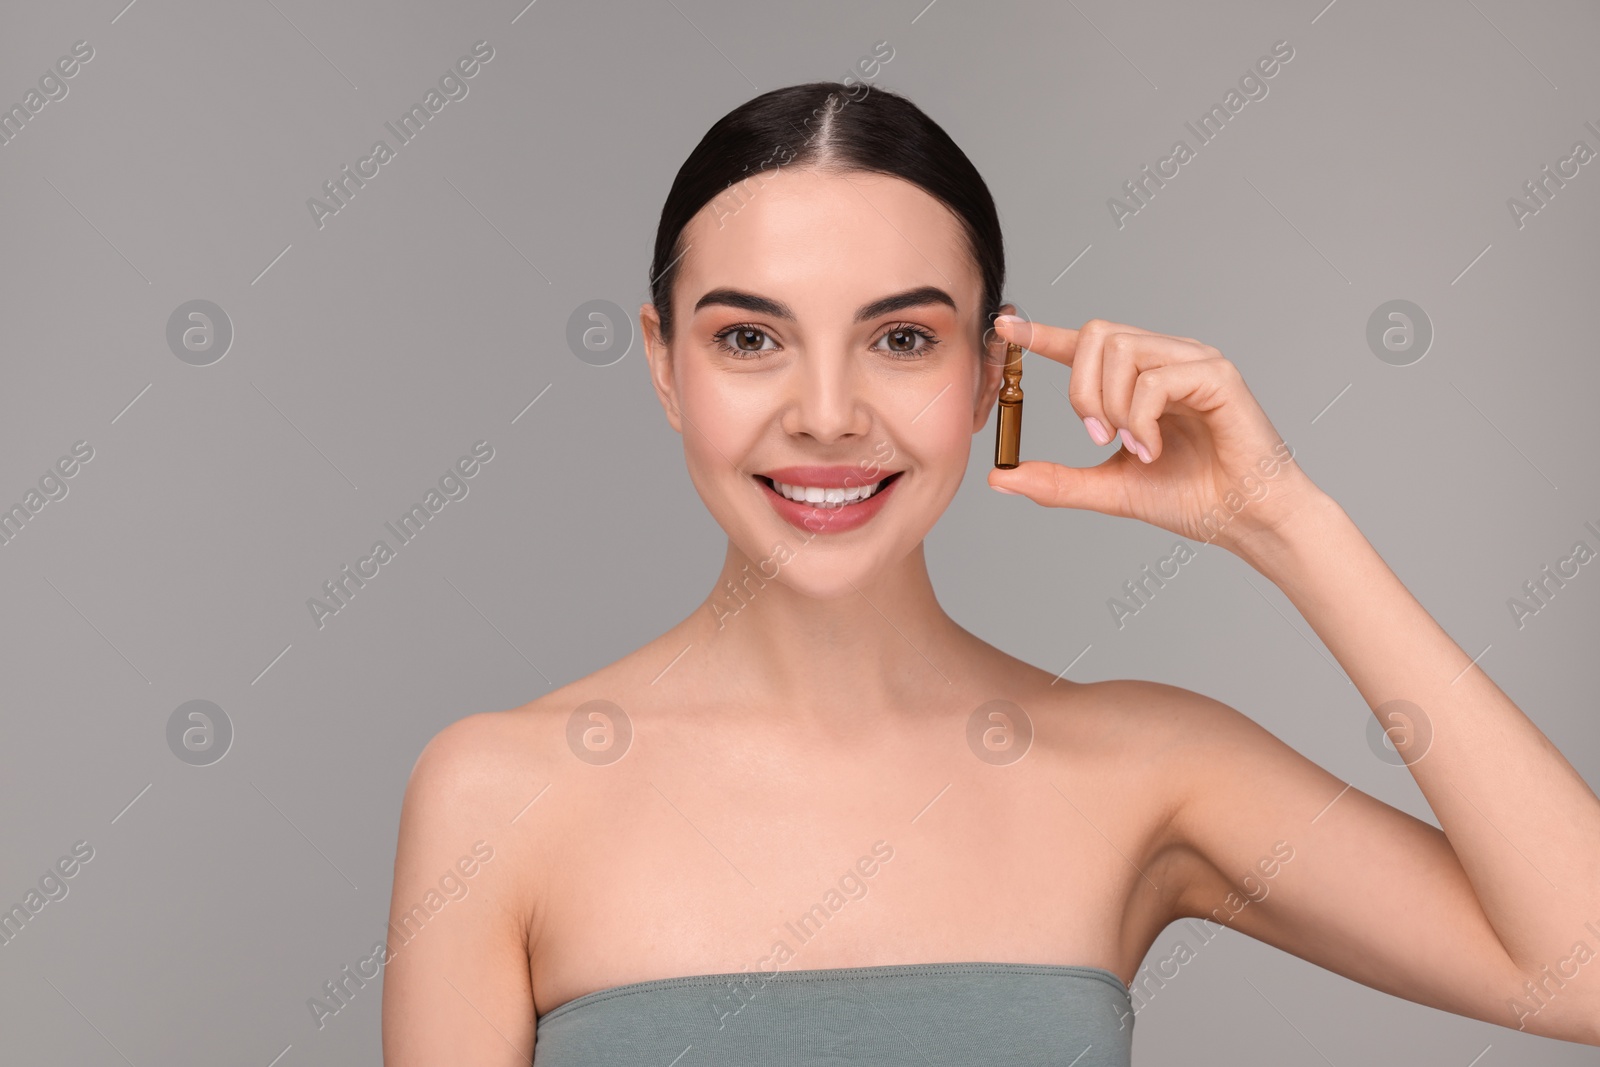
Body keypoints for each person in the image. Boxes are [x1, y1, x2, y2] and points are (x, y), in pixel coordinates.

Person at [380, 81, 1600, 1065]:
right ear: (663, 365)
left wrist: (1282, 519)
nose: (823, 413)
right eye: (748, 338)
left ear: (984, 376)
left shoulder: (1144, 769)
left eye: (900, 338)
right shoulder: (499, 793)